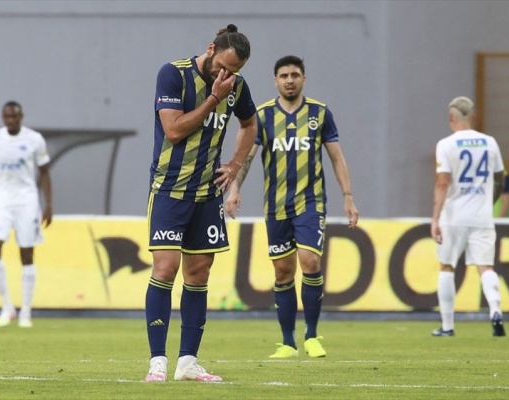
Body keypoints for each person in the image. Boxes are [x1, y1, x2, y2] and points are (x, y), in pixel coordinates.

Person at [225, 55, 359, 359]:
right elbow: (246, 157)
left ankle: (312, 335)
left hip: (311, 202)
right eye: (284, 76)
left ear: (303, 79)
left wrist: (348, 196)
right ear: (275, 81)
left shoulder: (319, 113)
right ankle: (288, 342)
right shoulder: (262, 115)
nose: (289, 80)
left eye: (295, 75)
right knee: (283, 271)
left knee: (310, 262)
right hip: (276, 206)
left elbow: (336, 157)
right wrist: (234, 188)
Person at [145, 24, 256, 382]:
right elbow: (174, 130)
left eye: (234, 71)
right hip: (170, 189)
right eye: (222, 67)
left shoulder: (236, 86)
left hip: (207, 193)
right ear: (210, 49)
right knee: (165, 269)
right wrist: (213, 99)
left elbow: (250, 124)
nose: (226, 76)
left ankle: (187, 362)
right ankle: (157, 362)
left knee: (199, 273)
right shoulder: (172, 74)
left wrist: (234, 165)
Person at [0, 101, 52, 328]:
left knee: (26, 253)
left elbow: (44, 172)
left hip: (26, 200)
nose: (10, 120)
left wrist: (48, 204)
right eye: (6, 116)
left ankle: (26, 310)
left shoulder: (34, 139)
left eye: (14, 116)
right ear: (2, 117)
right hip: (0, 200)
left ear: (21, 117)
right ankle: (7, 307)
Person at [431, 96, 506, 337]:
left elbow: (443, 183)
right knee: (486, 267)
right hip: (482, 216)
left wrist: (435, 218)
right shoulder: (490, 143)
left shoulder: (446, 144)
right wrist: (488, 202)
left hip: (453, 216)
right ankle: (495, 310)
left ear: (450, 117)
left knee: (447, 266)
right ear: (473, 117)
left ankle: (447, 326)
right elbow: (500, 178)